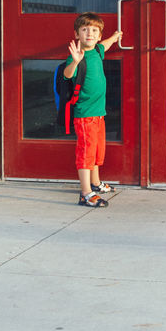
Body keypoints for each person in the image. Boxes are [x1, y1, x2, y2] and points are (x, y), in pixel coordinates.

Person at [64, 12, 122, 208]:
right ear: (77, 34)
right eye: (85, 29)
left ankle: (95, 184)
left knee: (97, 151)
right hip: (85, 115)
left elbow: (104, 45)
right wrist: (75, 61)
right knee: (86, 154)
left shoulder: (97, 51)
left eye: (94, 31)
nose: (90, 33)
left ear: (98, 35)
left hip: (98, 114)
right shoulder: (76, 57)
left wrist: (114, 37)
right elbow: (67, 74)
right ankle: (85, 193)